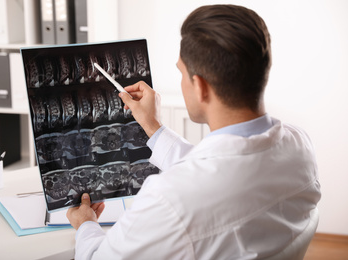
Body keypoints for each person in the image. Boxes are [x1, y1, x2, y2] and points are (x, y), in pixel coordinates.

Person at [67, 4, 321, 259]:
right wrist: (153, 127)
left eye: (182, 73)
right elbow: (217, 171)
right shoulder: (299, 146)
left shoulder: (168, 197)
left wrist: (86, 225)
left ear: (199, 86)